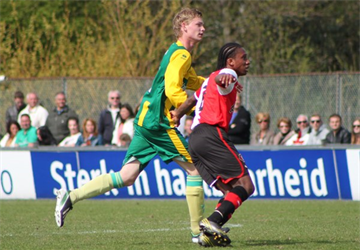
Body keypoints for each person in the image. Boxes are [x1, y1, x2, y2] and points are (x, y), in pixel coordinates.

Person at [55, 8, 206, 244]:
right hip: (158, 121)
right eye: (198, 24)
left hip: (146, 119)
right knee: (195, 170)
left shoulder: (177, 52)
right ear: (184, 27)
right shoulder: (182, 55)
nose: (203, 28)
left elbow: (193, 81)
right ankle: (199, 233)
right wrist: (190, 108)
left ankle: (70, 196)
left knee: (127, 176)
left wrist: (215, 81)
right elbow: (173, 89)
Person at [171, 43, 254, 247]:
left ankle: (207, 235)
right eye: (243, 57)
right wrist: (227, 77)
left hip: (196, 140)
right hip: (211, 135)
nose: (247, 61)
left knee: (229, 193)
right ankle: (213, 222)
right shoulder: (225, 74)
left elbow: (192, 100)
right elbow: (223, 76)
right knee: (245, 185)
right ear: (230, 62)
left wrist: (177, 114)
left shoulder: (208, 81)